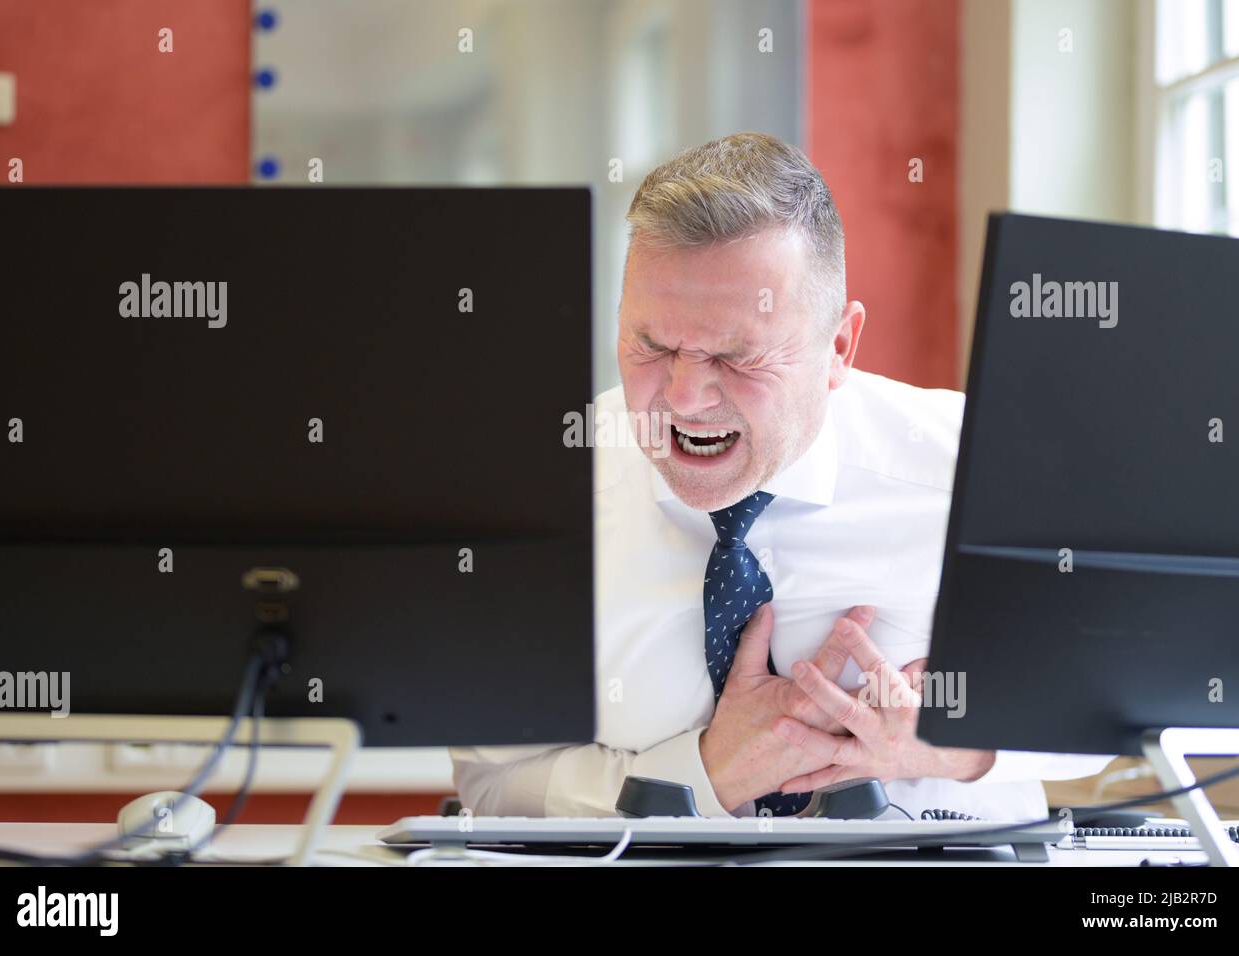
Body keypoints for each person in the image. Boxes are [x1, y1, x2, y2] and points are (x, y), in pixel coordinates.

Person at [451, 132, 1110, 819]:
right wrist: (700, 777)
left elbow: (1123, 703)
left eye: (737, 357)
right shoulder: (533, 493)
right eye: (652, 345)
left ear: (839, 347)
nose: (683, 397)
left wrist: (962, 747)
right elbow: (492, 783)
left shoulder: (980, 464)